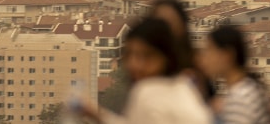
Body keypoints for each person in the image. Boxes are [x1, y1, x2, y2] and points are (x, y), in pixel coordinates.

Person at [79, 17, 211, 124]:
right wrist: (97, 115)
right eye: (130, 54)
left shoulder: (147, 91)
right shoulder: (184, 87)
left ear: (167, 58)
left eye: (147, 56)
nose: (135, 65)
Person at [199, 24, 270, 124]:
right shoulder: (248, 88)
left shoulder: (240, 98)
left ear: (227, 55)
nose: (203, 59)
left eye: (209, 50)